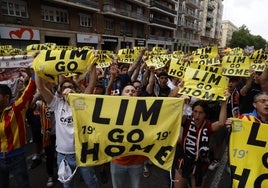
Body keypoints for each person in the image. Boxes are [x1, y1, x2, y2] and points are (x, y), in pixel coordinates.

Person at [35, 67, 99, 188]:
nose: (67, 89)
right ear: (60, 91)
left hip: (82, 152)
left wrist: (93, 65)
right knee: (67, 185)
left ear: (75, 90)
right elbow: (41, 87)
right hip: (63, 154)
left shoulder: (81, 103)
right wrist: (37, 68)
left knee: (91, 182)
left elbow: (91, 84)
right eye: (64, 87)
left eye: (71, 87)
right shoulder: (57, 104)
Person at [173, 90, 230, 188]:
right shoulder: (186, 121)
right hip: (184, 162)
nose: (197, 115)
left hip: (200, 165)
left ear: (205, 114)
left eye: (200, 113)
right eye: (195, 112)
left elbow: (221, 123)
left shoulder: (208, 126)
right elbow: (178, 116)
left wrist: (224, 103)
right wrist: (183, 103)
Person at [0, 73, 36, 188]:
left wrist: (36, 67)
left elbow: (30, 90)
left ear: (6, 97)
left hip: (17, 157)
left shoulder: (17, 109)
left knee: (23, 185)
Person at [110, 84, 148, 188]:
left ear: (137, 95)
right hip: (117, 160)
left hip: (137, 161)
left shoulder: (145, 111)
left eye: (133, 91)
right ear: (121, 95)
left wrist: (181, 103)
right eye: (127, 91)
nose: (131, 92)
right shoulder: (112, 111)